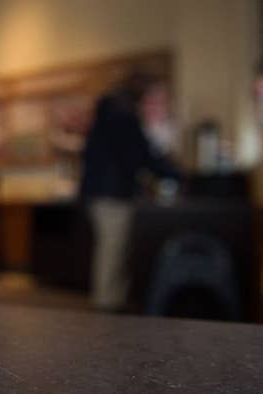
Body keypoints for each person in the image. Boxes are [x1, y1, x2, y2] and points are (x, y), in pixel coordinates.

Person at [80, 72, 179, 312]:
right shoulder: (124, 118)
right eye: (153, 100)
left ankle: (112, 302)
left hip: (101, 193)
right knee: (112, 252)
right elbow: (145, 156)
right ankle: (106, 308)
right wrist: (177, 174)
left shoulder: (110, 113)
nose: (156, 105)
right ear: (140, 97)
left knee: (112, 251)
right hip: (111, 195)